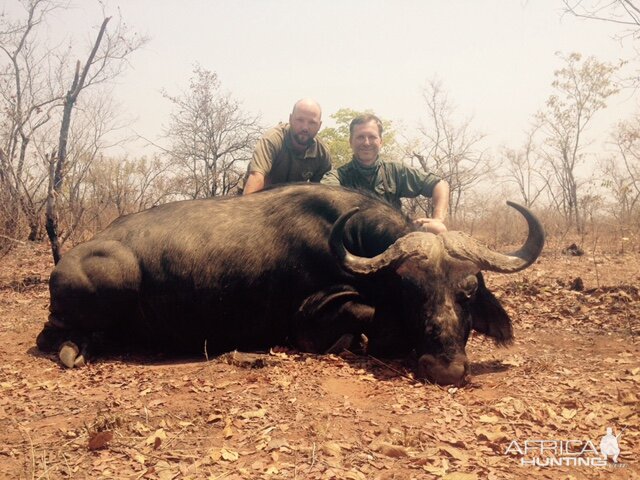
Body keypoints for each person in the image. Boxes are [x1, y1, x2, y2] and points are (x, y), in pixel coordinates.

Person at [321, 113, 449, 234]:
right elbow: (324, 195)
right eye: (360, 137)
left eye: (372, 137)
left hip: (393, 234)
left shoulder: (395, 170)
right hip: (354, 236)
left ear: (381, 141)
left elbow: (440, 184)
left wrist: (438, 218)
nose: (366, 143)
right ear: (351, 141)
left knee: (437, 228)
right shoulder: (337, 176)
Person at [241, 98, 332, 194]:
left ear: (319, 125)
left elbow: (322, 192)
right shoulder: (272, 139)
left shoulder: (322, 153)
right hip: (256, 197)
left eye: (312, 122)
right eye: (300, 120)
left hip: (289, 203)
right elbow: (256, 177)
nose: (305, 127)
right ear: (290, 119)